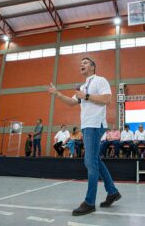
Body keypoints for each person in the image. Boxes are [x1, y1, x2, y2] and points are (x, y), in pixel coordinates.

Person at [48, 57, 120, 216]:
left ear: (93, 67)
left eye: (86, 63)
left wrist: (85, 96)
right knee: (95, 161)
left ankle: (89, 202)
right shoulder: (82, 86)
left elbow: (107, 99)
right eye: (81, 63)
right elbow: (72, 102)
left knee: (90, 162)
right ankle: (112, 191)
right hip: (87, 125)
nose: (82, 64)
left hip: (95, 125)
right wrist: (57, 93)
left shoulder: (100, 80)